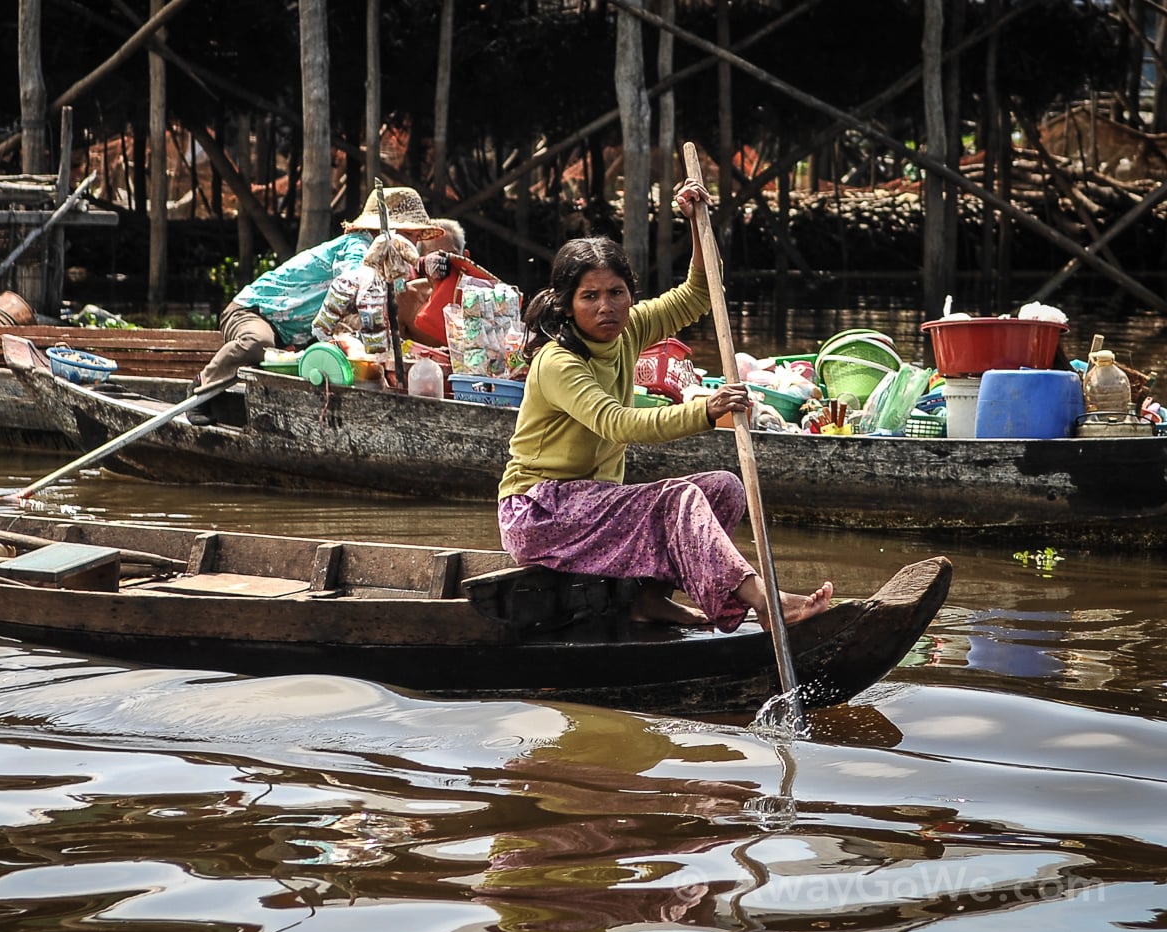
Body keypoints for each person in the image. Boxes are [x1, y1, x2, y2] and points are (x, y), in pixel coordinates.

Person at [496, 178, 832, 632]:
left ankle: (649, 600)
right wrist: (706, 410)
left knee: (723, 488)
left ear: (629, 293)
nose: (606, 307)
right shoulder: (559, 361)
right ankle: (765, 600)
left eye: (616, 292)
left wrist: (695, 224)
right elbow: (617, 423)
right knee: (679, 497)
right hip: (540, 511)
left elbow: (698, 293)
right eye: (589, 297)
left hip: (594, 502)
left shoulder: (628, 329)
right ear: (568, 305)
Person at [189, 187, 445, 396]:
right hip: (254, 313)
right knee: (258, 343)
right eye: (409, 235)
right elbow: (357, 281)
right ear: (388, 232)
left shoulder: (389, 266)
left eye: (416, 238)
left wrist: (429, 271)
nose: (413, 244)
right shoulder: (357, 247)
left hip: (297, 337)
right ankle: (201, 387)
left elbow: (399, 297)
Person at [397, 217, 500, 348]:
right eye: (434, 258)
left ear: (465, 257)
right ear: (422, 263)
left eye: (450, 256)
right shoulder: (406, 298)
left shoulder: (485, 299)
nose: (442, 264)